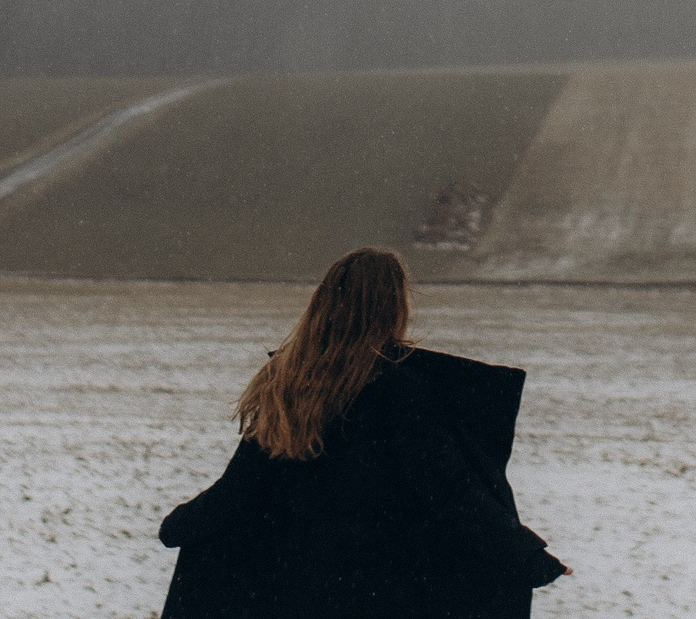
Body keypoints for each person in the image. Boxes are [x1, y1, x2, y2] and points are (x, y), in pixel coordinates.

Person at [158, 247, 570, 619]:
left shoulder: (289, 385)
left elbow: (241, 489)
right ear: (394, 307)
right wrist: (524, 555)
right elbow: (448, 490)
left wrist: (182, 524)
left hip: (299, 588)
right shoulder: (398, 391)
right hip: (374, 588)